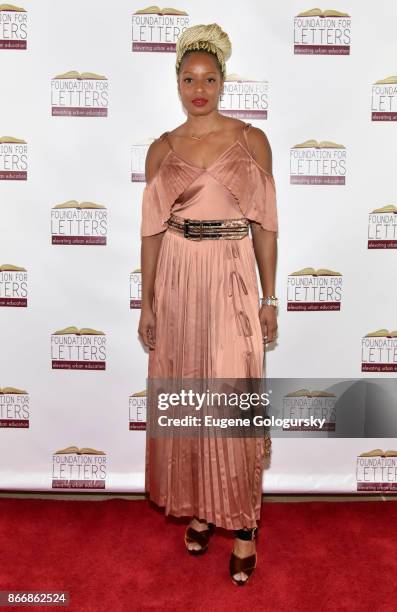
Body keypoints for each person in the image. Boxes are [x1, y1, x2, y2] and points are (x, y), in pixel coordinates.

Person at [138, 23, 278, 586]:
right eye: (189, 79)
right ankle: (200, 507)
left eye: (210, 79)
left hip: (229, 276)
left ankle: (243, 526)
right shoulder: (162, 148)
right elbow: (149, 232)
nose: (200, 89)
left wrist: (271, 297)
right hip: (177, 276)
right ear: (176, 83)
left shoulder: (251, 140)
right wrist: (147, 302)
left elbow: (265, 225)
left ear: (224, 81)